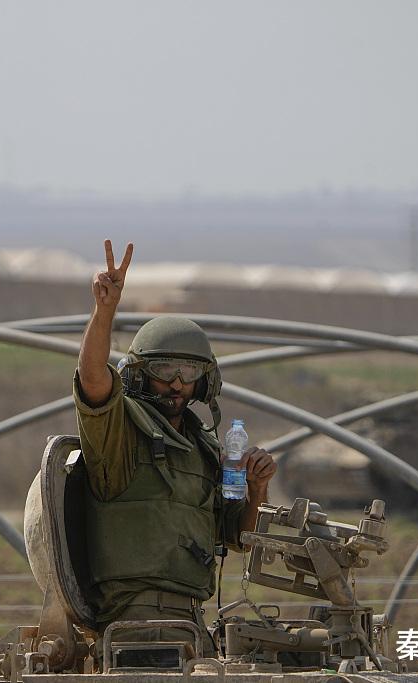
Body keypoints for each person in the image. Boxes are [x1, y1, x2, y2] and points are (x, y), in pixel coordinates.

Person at [73, 239, 277, 663]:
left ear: (206, 381)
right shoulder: (120, 434)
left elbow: (237, 536)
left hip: (191, 625)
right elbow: (92, 382)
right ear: (140, 374)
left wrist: (257, 490)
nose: (177, 384)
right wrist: (105, 311)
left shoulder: (203, 448)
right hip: (134, 628)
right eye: (164, 369)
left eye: (189, 372)